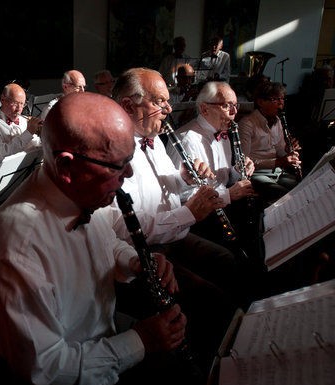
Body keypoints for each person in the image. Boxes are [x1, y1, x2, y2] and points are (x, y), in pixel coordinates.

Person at [0, 92, 198, 385]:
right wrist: (142, 341)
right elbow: (44, 374)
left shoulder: (82, 191)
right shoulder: (18, 241)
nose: (128, 175)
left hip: (102, 335)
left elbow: (106, 241)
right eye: (117, 166)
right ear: (67, 166)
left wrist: (135, 261)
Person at [112, 68, 241, 350]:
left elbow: (169, 191)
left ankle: (232, 337)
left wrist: (184, 179)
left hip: (175, 236)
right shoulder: (112, 150)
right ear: (128, 106)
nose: (169, 109)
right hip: (146, 250)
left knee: (228, 261)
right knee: (211, 299)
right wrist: (189, 213)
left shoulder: (155, 139)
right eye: (160, 101)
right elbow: (125, 227)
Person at [170, 81, 259, 250]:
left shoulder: (224, 131)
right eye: (227, 106)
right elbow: (181, 197)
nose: (234, 112)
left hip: (222, 203)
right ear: (204, 109)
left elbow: (222, 178)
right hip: (200, 217)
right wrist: (229, 195)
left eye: (235, 105)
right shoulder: (187, 140)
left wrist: (237, 170)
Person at [238, 81, 301, 205]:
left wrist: (289, 150)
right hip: (256, 174)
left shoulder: (278, 121)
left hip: (277, 171)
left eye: (282, 99)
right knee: (285, 196)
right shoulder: (247, 124)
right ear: (260, 102)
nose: (280, 103)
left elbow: (280, 150)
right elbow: (244, 161)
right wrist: (279, 162)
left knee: (301, 188)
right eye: (275, 99)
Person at [0, 83, 42, 174]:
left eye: (22, 104)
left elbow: (34, 144)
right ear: (2, 99)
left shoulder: (23, 120)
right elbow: (1, 155)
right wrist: (28, 133)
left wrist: (46, 138)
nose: (19, 109)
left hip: (24, 169)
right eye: (15, 103)